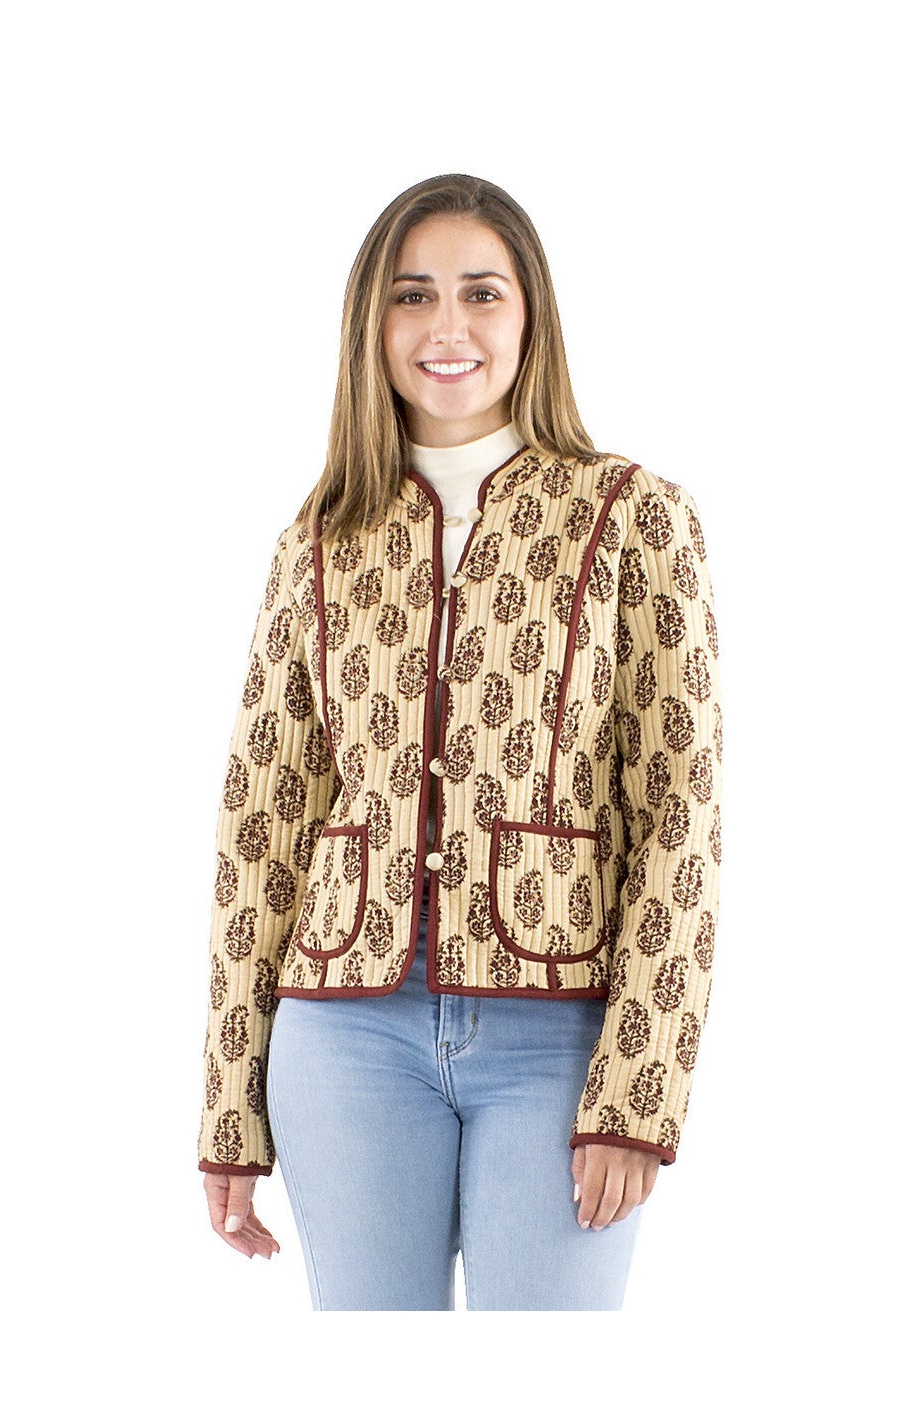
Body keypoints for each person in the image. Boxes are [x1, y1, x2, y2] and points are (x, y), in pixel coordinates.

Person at [197, 173, 723, 1310]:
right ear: (371, 324)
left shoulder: (633, 517)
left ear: (530, 317)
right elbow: (261, 826)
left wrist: (638, 1090)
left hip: (560, 1036)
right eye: (412, 295)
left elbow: (680, 814)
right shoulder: (318, 539)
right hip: (344, 1032)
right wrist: (230, 1111)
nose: (447, 328)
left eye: (482, 293)